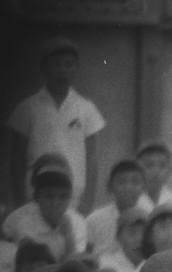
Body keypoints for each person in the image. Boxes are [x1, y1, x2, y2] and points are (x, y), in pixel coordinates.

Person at [8, 37, 105, 207]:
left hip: (73, 197)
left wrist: (88, 201)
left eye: (69, 65)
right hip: (35, 195)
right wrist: (20, 200)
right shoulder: (28, 107)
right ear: (44, 68)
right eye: (56, 64)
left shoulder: (86, 108)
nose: (63, 71)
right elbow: (17, 157)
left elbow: (92, 157)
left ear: (76, 68)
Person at [4, 158, 87, 262]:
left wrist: (69, 237)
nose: (56, 203)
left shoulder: (78, 222)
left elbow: (76, 265)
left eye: (63, 196)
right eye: (49, 196)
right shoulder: (20, 222)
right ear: (36, 197)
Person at [84, 159, 148, 254]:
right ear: (110, 186)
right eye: (121, 182)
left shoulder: (149, 218)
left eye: (135, 182)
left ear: (144, 187)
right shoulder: (95, 219)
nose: (128, 187)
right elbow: (86, 253)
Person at [135, 143, 172, 219]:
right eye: (149, 165)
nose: (156, 172)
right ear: (137, 169)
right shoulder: (131, 203)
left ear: (170, 170)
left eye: (162, 166)